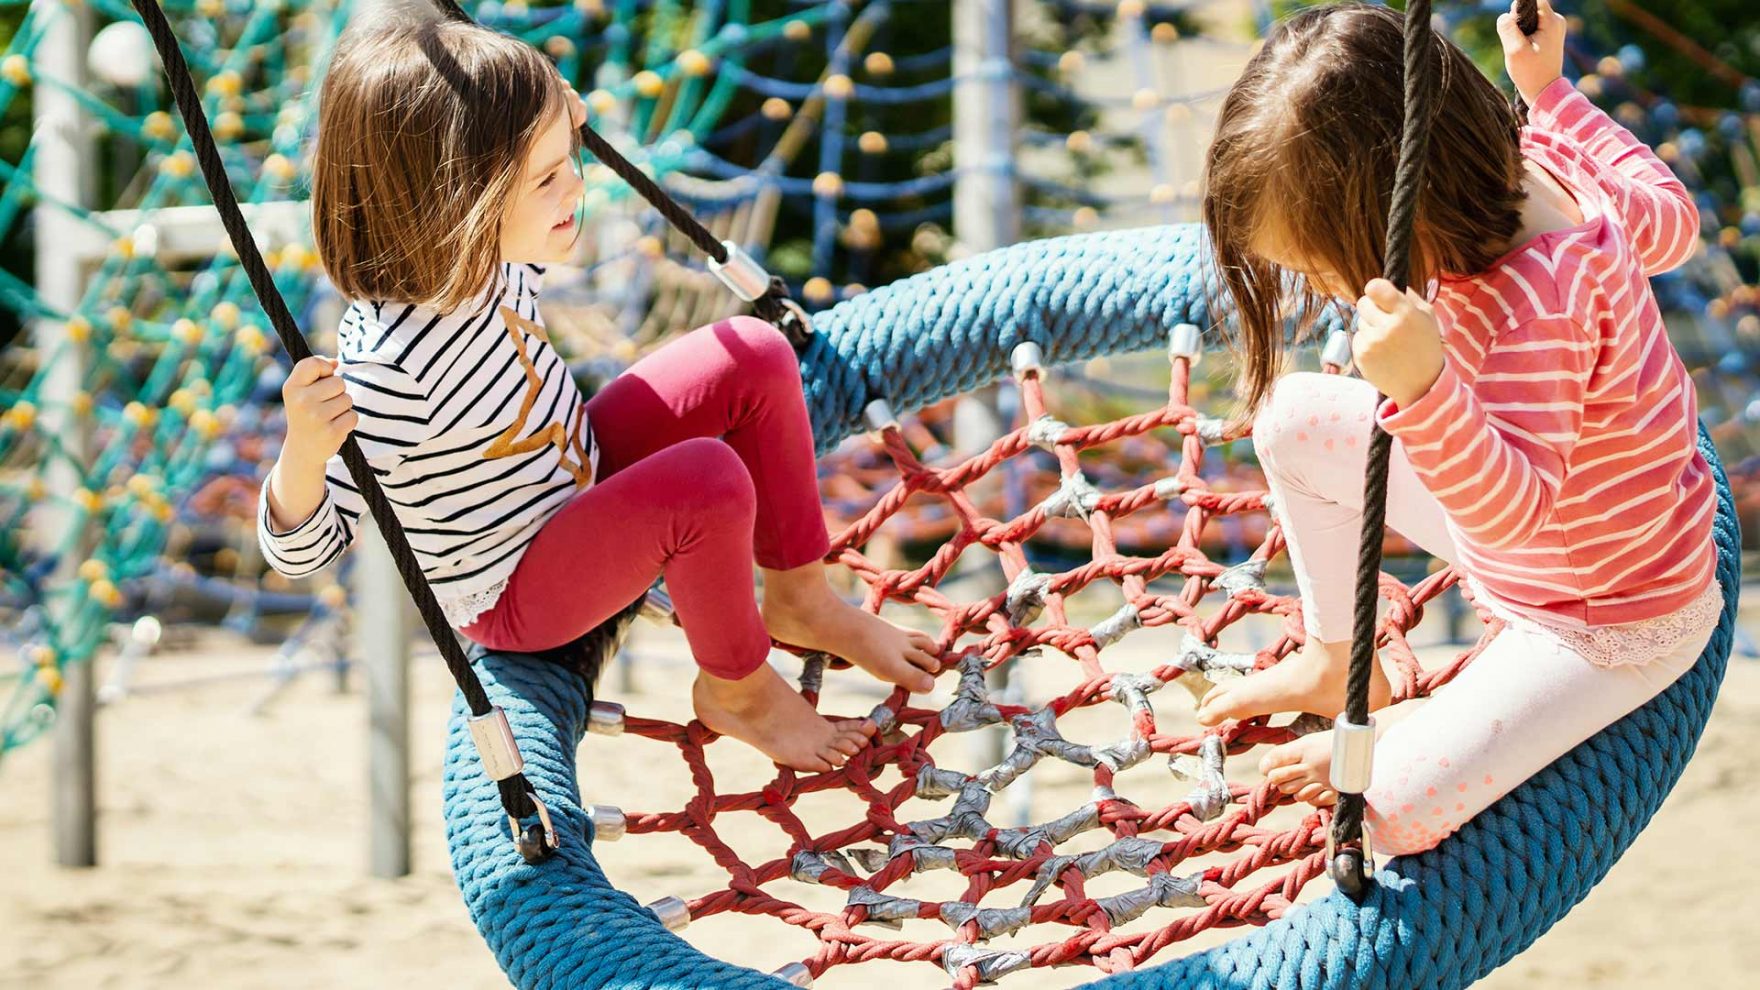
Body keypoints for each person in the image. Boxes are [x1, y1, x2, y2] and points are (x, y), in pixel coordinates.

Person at [256, 13, 940, 774]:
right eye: (548, 177)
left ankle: (801, 598)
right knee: (704, 484)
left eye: (568, 160)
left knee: (750, 350)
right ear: (455, 206)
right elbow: (303, 550)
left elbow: (488, 134)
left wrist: (552, 123)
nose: (575, 185)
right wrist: (303, 455)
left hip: (575, 469)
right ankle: (736, 689)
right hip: (517, 588)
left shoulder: (488, 257)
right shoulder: (390, 376)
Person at [1193, 0, 1723, 854]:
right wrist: (1551, 93)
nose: (1331, 289)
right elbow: (1672, 221)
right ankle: (1340, 660)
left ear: (1408, 201)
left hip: (1599, 612)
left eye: (1329, 263)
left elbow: (1510, 509)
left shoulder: (1528, 304)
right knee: (1292, 418)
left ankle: (1421, 725)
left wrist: (1427, 389)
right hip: (1549, 533)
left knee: (1391, 812)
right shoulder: (1541, 154)